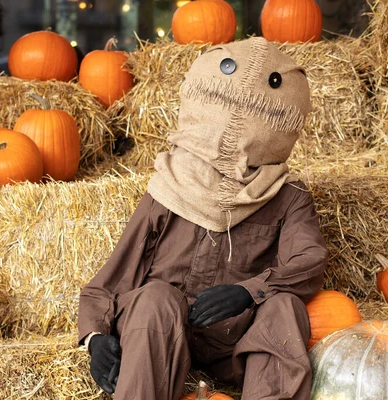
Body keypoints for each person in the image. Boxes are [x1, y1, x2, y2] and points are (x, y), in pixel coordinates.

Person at [78, 36, 328, 400]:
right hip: (165, 335)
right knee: (155, 299)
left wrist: (248, 292)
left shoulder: (288, 195)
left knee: (284, 307)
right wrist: (96, 338)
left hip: (237, 340)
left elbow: (308, 263)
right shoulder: (170, 186)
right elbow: (114, 276)